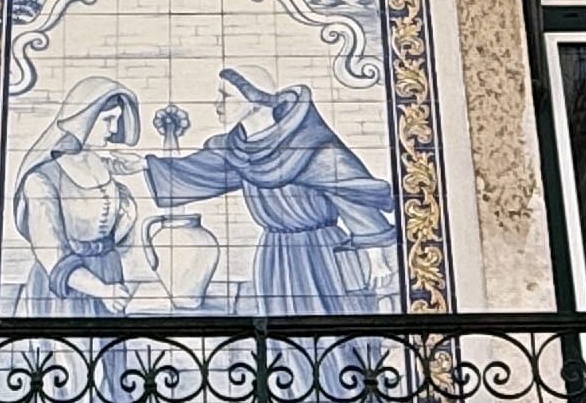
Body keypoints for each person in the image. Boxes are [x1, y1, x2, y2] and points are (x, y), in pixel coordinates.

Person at [143, 69, 402, 317]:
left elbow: (350, 193)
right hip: (274, 253)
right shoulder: (239, 151)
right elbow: (195, 171)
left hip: (320, 252)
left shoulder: (310, 144)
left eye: (226, 96)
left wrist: (375, 254)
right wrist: (143, 164)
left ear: (255, 100)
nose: (217, 104)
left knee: (329, 329)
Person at [9, 79, 146, 320]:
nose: (113, 130)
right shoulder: (41, 180)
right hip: (67, 291)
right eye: (107, 120)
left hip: (109, 278)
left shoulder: (101, 165)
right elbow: (52, 253)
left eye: (116, 119)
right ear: (83, 120)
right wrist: (101, 290)